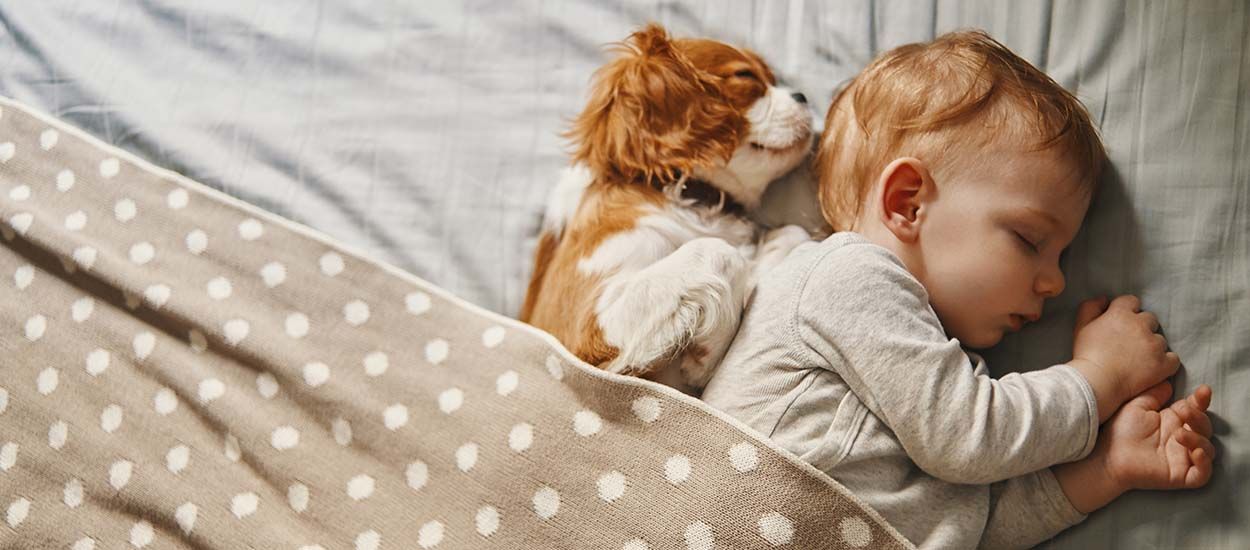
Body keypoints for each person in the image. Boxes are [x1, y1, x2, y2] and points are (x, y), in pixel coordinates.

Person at [701, 30, 1216, 549]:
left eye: (1061, 255)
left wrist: (1107, 468)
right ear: (908, 204)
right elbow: (968, 438)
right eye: (1029, 239)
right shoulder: (845, 275)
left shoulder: (926, 367)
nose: (1055, 281)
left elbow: (963, 528)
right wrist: (1099, 377)